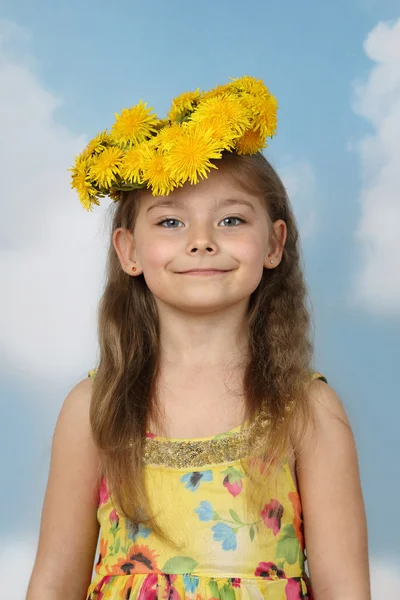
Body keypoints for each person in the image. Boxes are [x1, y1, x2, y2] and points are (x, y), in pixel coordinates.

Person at [26, 76, 370, 600]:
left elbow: (346, 590)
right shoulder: (93, 409)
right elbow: (52, 584)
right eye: (170, 221)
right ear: (129, 251)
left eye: (231, 219)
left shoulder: (308, 411)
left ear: (273, 243)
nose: (202, 242)